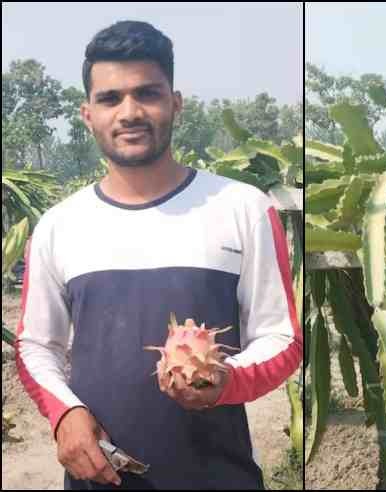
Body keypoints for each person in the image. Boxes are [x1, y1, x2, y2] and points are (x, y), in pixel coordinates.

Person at [14, 20, 302, 489]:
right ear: (88, 114)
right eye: (110, 99)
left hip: (219, 479)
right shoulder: (59, 226)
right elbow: (35, 346)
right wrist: (65, 413)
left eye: (147, 93)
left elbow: (282, 338)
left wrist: (225, 382)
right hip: (99, 480)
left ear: (175, 103)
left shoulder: (241, 208)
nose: (129, 112)